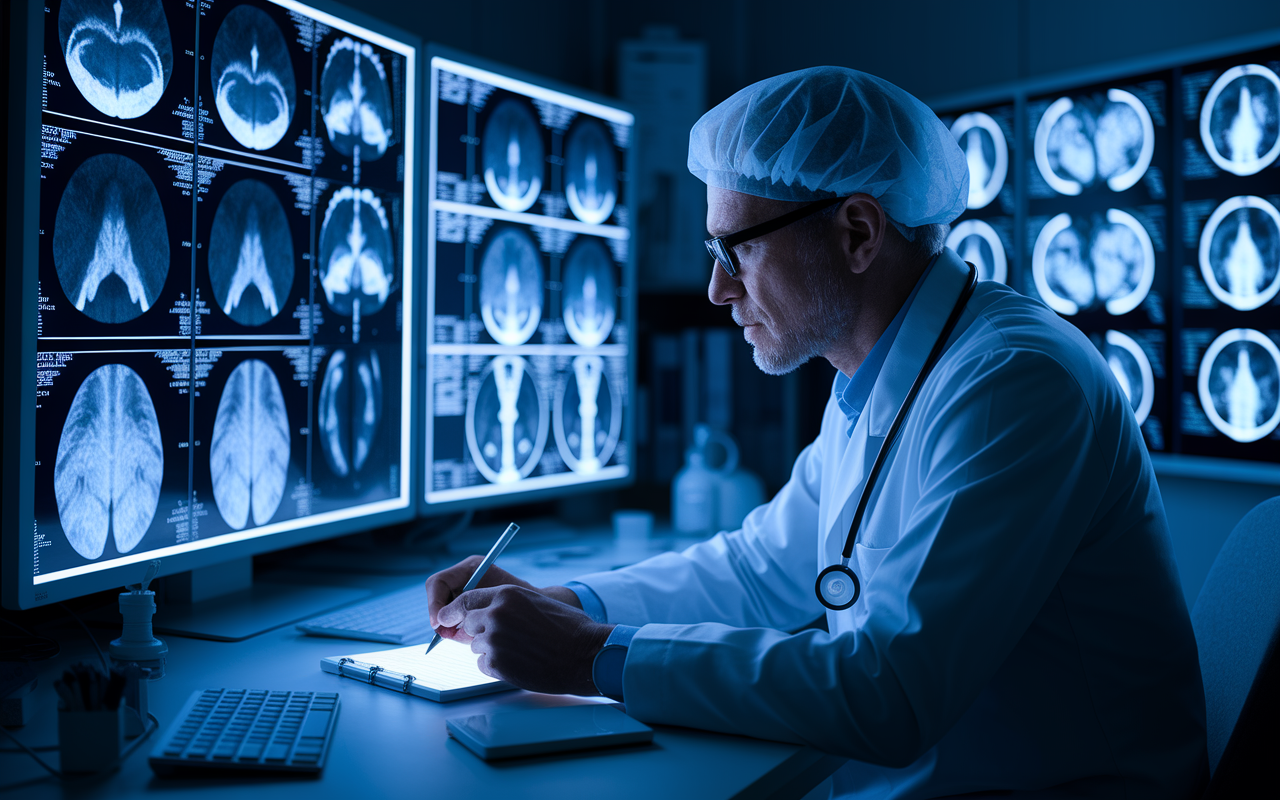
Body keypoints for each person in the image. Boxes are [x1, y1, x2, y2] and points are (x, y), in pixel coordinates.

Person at [426, 67, 1207, 798]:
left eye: (738, 249)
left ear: (859, 233)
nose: (717, 288)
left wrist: (587, 655)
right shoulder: (878, 376)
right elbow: (764, 570)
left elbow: (890, 690)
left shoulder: (1015, 384)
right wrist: (567, 603)